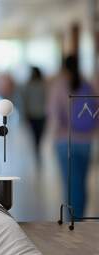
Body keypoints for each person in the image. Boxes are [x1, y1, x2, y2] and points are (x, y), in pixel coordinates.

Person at [48, 55, 98, 219]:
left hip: (65, 142)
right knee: (82, 184)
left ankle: (73, 221)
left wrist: (53, 139)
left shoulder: (59, 86)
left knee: (70, 185)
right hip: (85, 141)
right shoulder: (87, 85)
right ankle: (81, 218)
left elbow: (54, 116)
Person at [23, 66, 47, 161]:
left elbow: (26, 100)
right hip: (41, 114)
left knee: (35, 135)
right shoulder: (43, 85)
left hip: (33, 114)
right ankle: (37, 149)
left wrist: (25, 113)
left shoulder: (29, 85)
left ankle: (36, 149)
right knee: (38, 135)